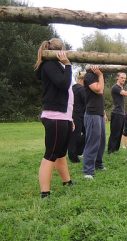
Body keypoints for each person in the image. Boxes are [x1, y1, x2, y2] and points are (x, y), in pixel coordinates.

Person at [34, 38, 74, 198]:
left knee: (60, 153)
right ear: (60, 50)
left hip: (63, 116)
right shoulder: (50, 65)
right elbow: (64, 84)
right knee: (51, 154)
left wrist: (71, 118)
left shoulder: (56, 66)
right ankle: (45, 192)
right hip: (54, 116)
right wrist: (69, 65)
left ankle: (67, 181)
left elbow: (66, 92)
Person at [82, 65, 106, 179]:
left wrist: (104, 113)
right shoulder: (89, 76)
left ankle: (98, 164)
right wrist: (101, 75)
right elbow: (99, 90)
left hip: (99, 113)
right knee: (92, 142)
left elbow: (101, 91)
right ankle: (88, 171)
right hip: (92, 113)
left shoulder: (96, 76)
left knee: (101, 141)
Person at [107, 72, 127, 154]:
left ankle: (115, 149)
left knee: (119, 133)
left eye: (124, 78)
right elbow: (126, 93)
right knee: (115, 132)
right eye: (122, 77)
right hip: (116, 113)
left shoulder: (120, 87)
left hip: (121, 113)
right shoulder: (115, 87)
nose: (123, 79)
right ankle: (110, 150)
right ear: (117, 78)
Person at [68, 71, 86, 163]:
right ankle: (73, 156)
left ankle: (77, 152)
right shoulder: (82, 89)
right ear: (83, 80)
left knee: (74, 135)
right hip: (78, 116)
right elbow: (86, 103)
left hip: (70, 114)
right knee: (77, 136)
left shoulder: (71, 88)